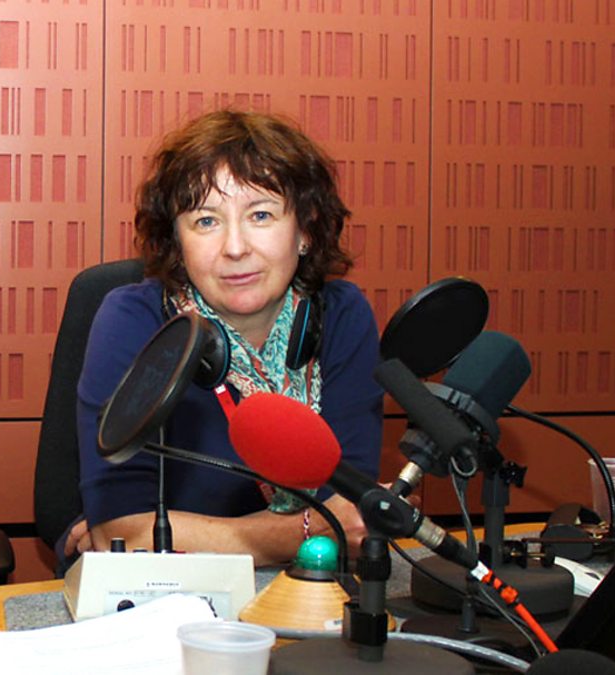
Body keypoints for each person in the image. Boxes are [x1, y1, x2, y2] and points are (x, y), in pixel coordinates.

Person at [68, 109, 382, 568]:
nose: (235, 248)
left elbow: (352, 512)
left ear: (306, 230)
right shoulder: (134, 320)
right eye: (206, 222)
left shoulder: (342, 315)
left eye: (261, 215)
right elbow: (124, 533)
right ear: (177, 242)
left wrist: (183, 537)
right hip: (169, 596)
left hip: (310, 589)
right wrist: (306, 531)